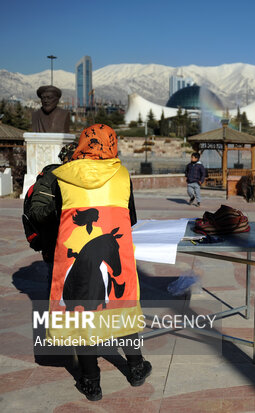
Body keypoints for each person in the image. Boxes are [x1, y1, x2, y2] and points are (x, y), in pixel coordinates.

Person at [49, 124, 151, 401]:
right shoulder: (122, 174)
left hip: (73, 256)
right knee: (123, 302)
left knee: (81, 314)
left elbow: (54, 217)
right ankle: (136, 368)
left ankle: (91, 382)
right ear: (112, 144)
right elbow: (131, 218)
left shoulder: (62, 175)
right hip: (114, 250)